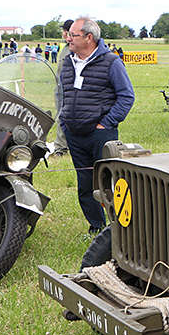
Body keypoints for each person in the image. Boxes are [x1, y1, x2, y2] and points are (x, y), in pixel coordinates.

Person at [58, 17, 135, 233]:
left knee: (109, 183)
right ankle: (97, 227)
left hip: (101, 135)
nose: (68, 38)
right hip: (74, 135)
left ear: (89, 38)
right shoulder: (67, 62)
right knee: (85, 184)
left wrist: (106, 124)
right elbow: (61, 95)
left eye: (73, 35)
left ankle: (119, 228)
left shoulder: (111, 62)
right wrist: (64, 122)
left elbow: (126, 96)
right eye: (69, 34)